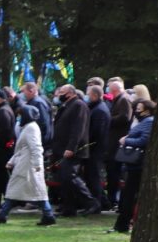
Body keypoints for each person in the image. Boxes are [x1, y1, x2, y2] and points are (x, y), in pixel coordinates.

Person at [0, 104, 54, 226]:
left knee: (29, 191)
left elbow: (36, 148)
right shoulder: (28, 127)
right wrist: (12, 160)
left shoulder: (31, 128)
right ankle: (48, 214)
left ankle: (3, 214)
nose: (19, 118)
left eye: (20, 115)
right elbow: (22, 148)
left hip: (29, 166)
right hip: (25, 164)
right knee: (34, 191)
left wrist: (37, 164)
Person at [51, 83, 101, 217]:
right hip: (62, 148)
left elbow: (78, 129)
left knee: (70, 176)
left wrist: (71, 147)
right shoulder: (66, 106)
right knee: (64, 179)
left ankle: (91, 202)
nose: (59, 95)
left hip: (73, 149)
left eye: (62, 92)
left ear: (70, 93)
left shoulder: (79, 105)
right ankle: (68, 208)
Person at [112, 99, 155, 234]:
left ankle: (123, 224)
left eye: (139, 108)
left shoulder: (148, 122)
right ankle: (122, 224)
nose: (136, 111)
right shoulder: (144, 122)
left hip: (138, 165)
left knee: (129, 195)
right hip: (133, 165)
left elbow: (144, 141)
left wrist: (126, 140)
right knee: (128, 195)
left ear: (147, 110)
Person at [104, 76, 132, 209]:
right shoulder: (118, 100)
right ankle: (111, 198)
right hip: (113, 141)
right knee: (112, 171)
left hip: (117, 142)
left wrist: (108, 119)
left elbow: (125, 117)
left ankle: (113, 199)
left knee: (115, 172)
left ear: (113, 90)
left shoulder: (124, 100)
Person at [84, 80, 110, 209]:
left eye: (89, 95)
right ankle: (102, 202)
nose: (87, 97)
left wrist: (86, 143)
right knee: (92, 176)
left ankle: (96, 204)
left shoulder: (99, 111)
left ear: (94, 95)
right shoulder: (97, 108)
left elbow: (96, 132)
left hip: (96, 149)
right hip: (94, 148)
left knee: (94, 177)